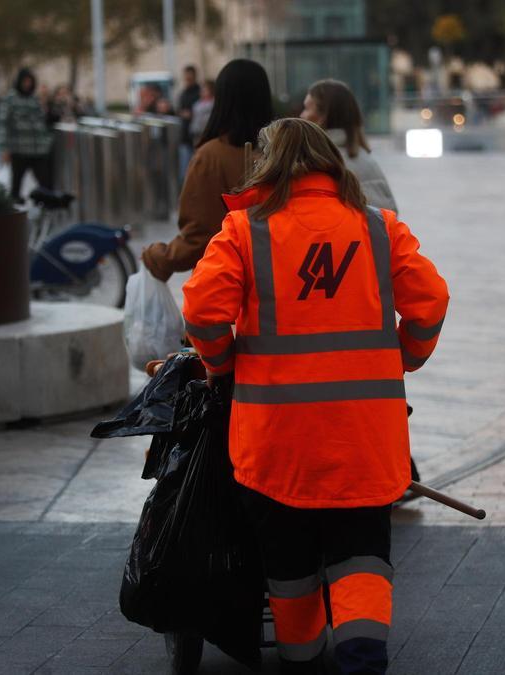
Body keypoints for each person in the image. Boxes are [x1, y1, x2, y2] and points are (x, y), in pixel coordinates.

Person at [181, 117, 449, 674]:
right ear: (332, 164)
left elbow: (203, 311)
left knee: (289, 557)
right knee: (361, 554)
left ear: (268, 166)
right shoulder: (380, 229)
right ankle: (362, 656)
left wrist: (222, 364)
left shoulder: (245, 231)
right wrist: (405, 356)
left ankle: (302, 657)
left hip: (276, 441)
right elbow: (430, 302)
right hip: (364, 435)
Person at [141, 59, 273, 281]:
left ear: (222, 100)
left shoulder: (210, 157)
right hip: (282, 287)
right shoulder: (284, 154)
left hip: (227, 292)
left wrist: (158, 257)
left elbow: (199, 236)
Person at [301, 79, 398, 211]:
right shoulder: (365, 160)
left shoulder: (319, 163)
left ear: (323, 116)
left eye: (307, 108)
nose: (301, 115)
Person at [0, 68, 53, 203]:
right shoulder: (10, 100)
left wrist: (47, 142)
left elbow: (41, 123)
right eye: (25, 81)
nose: (27, 84)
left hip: (37, 150)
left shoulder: (34, 99)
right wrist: (4, 148)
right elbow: (3, 125)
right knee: (16, 184)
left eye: (30, 81)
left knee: (45, 182)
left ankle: (44, 208)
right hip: (19, 149)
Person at [176, 65, 202, 178]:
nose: (187, 78)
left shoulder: (200, 92)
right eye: (186, 75)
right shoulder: (183, 93)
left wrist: (191, 114)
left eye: (189, 75)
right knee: (185, 173)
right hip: (185, 136)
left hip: (196, 136)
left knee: (196, 171)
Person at [189, 79, 215, 143]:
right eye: (202, 89)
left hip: (209, 133)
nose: (202, 91)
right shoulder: (198, 103)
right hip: (197, 132)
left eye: (205, 89)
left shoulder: (214, 103)